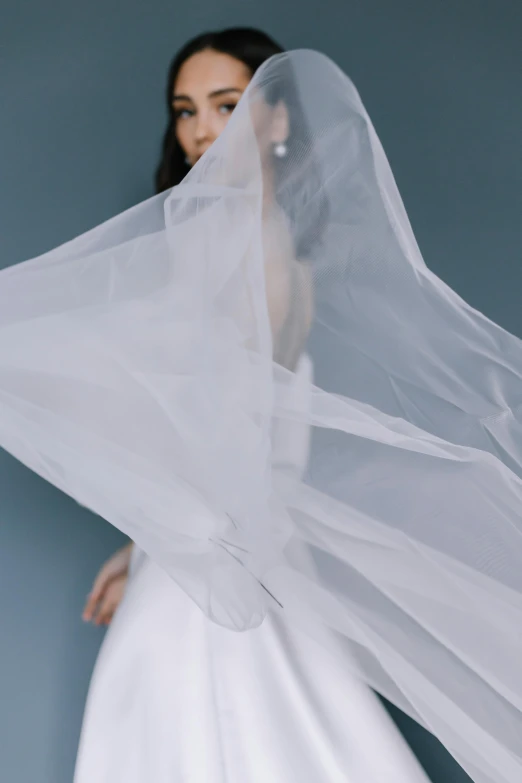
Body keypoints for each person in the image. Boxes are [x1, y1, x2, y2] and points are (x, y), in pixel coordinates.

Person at [74, 27, 430, 783]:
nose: (201, 129)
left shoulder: (230, 245)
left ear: (275, 119)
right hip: (245, 544)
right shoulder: (281, 245)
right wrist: (135, 549)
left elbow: (218, 433)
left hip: (214, 553)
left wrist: (150, 547)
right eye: (185, 110)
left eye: (226, 105)